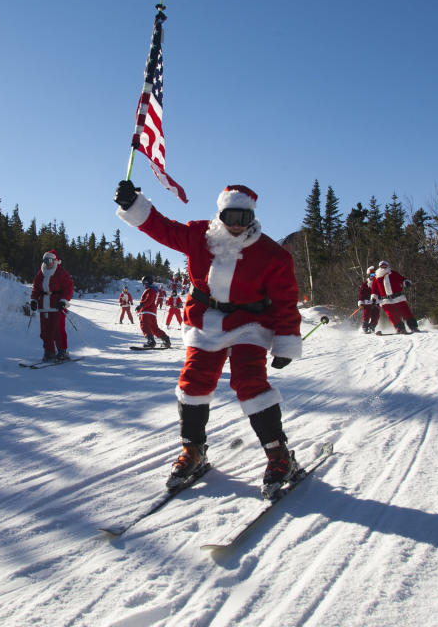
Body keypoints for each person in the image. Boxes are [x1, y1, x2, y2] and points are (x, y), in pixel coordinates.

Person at [114, 180, 302, 498]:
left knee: (250, 384)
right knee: (193, 383)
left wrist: (285, 341)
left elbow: (285, 301)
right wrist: (134, 204)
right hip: (206, 320)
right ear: (221, 214)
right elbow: (162, 228)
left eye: (245, 219)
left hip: (250, 324)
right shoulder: (199, 235)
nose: (237, 226)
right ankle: (194, 450)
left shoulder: (272, 254)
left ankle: (279, 455)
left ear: (253, 218)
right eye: (231, 217)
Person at [29, 250, 74, 361]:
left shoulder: (60, 272)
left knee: (58, 330)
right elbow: (36, 288)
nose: (48, 263)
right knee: (45, 331)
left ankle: (62, 351)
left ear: (55, 261)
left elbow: (68, 287)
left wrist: (63, 300)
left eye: (50, 260)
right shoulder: (41, 273)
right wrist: (34, 300)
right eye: (45, 260)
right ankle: (49, 352)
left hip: (57, 305)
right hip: (44, 306)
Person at [370, 260, 419, 334]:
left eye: (385, 266)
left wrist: (406, 282)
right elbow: (374, 289)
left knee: (406, 312)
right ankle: (400, 328)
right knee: (392, 315)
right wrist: (374, 298)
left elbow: (402, 279)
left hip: (398, 298)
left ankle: (413, 327)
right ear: (379, 267)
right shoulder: (376, 277)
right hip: (385, 300)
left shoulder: (393, 273)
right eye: (381, 266)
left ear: (387, 266)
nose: (383, 267)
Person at [136, 276, 172, 349]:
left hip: (147, 312)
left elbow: (148, 301)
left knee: (144, 326)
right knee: (154, 328)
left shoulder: (150, 290)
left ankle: (151, 341)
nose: (143, 285)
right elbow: (149, 301)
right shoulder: (152, 290)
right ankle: (166, 340)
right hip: (151, 312)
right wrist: (139, 308)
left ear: (147, 282)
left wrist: (141, 305)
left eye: (144, 283)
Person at [358, 266, 380, 334]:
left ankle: (372, 326)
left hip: (376, 302)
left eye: (375, 275)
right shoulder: (366, 284)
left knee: (376, 315)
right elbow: (361, 294)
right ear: (369, 276)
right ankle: (365, 326)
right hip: (367, 302)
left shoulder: (378, 283)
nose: (373, 276)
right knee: (367, 313)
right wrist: (361, 302)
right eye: (372, 275)